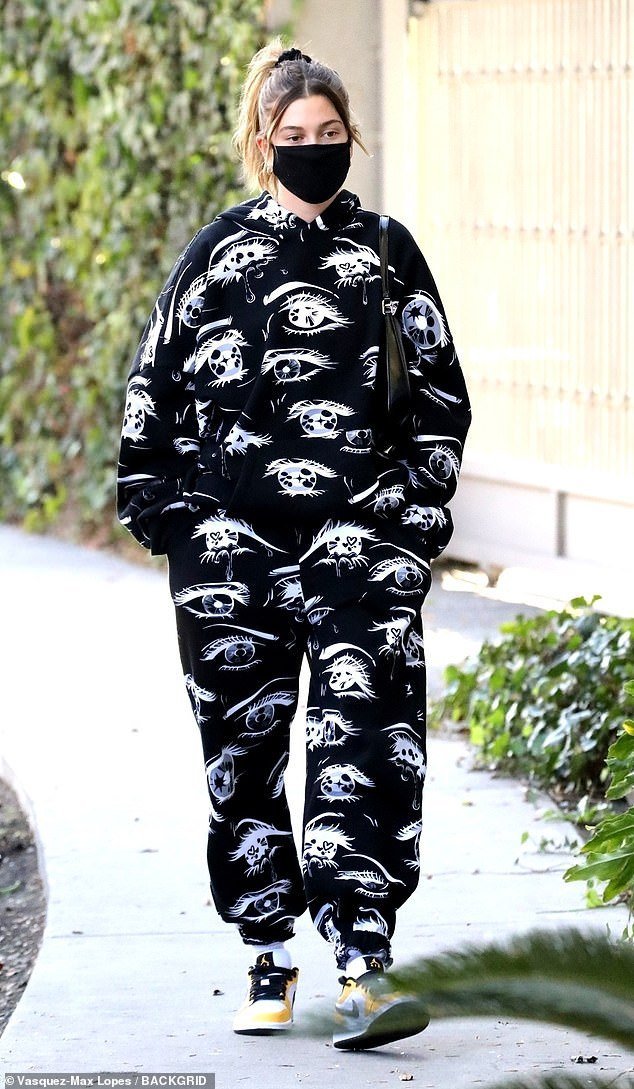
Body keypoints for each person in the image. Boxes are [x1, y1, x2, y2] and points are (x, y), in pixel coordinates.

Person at [117, 39, 471, 1050]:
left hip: (362, 546)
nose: (314, 147)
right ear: (261, 142)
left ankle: (363, 963)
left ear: (352, 137)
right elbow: (153, 393)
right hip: (231, 555)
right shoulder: (214, 255)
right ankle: (267, 950)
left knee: (368, 741)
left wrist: (409, 524)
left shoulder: (389, 254)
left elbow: (440, 400)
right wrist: (176, 522)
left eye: (329, 132)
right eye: (294, 134)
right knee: (242, 752)